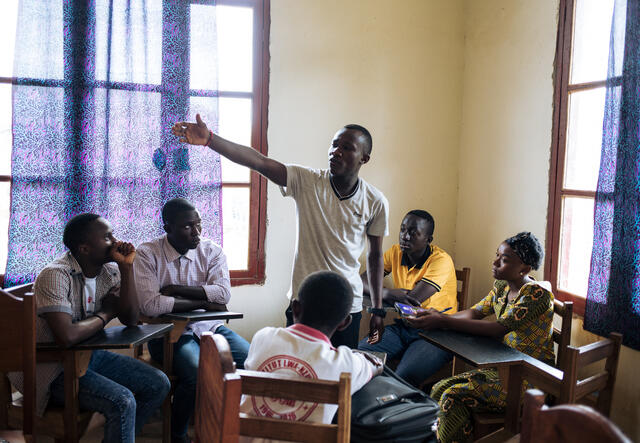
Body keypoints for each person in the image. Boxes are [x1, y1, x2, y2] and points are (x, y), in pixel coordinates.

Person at [172, 115, 389, 348]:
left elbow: (375, 256)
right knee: (294, 372)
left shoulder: (375, 201)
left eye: (347, 148)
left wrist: (377, 309)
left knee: (340, 376)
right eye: (334, 144)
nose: (336, 152)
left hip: (346, 305)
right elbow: (259, 162)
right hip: (305, 302)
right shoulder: (308, 181)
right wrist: (210, 140)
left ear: (364, 158)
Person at [8, 213, 171, 443]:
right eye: (107, 237)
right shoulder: (56, 275)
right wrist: (106, 313)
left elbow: (132, 319)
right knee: (122, 400)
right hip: (50, 369)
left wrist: (127, 269)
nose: (115, 241)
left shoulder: (109, 272)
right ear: (84, 249)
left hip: (85, 358)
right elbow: (67, 337)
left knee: (158, 383)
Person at [406, 232, 554, 443]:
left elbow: (497, 329)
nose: (494, 263)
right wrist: (438, 316)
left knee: (452, 396)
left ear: (525, 269)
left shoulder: (536, 294)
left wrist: (443, 321)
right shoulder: (502, 287)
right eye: (497, 255)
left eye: (504, 260)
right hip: (503, 369)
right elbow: (475, 312)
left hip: (527, 381)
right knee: (437, 388)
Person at [134, 198, 250, 443]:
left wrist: (176, 289)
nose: (196, 232)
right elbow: (151, 305)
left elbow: (223, 294)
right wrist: (204, 301)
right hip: (166, 334)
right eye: (188, 226)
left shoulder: (212, 251)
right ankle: (178, 435)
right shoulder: (147, 253)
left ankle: (231, 426)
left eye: (198, 224)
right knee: (196, 373)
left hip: (210, 327)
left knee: (250, 361)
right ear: (168, 228)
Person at [240, 271, 383, 431]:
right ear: (345, 323)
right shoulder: (346, 363)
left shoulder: (263, 337)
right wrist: (363, 357)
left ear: (294, 308)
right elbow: (376, 365)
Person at [358, 209, 457, 387]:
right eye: (403, 229)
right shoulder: (395, 252)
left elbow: (411, 301)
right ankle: (368, 407)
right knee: (358, 356)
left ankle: (397, 409)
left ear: (428, 239)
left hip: (437, 333)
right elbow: (361, 281)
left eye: (413, 232)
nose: (405, 236)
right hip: (404, 327)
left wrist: (381, 292)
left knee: (402, 378)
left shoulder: (441, 260)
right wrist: (387, 293)